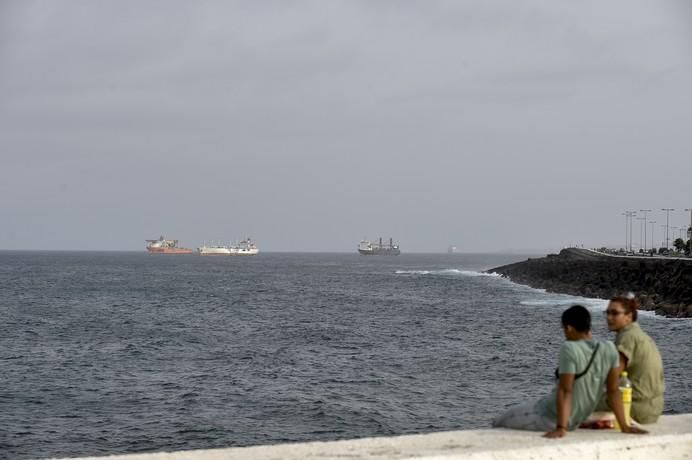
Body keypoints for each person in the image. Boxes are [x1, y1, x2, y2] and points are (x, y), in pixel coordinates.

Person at [493, 305, 647, 437]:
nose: (565, 334)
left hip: (548, 415)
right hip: (577, 419)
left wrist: (561, 427)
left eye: (564, 329)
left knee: (498, 421)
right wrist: (624, 426)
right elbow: (614, 391)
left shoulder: (569, 348)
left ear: (569, 328)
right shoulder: (609, 348)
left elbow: (566, 390)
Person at [604, 295, 665, 424]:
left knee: (577, 400)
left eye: (614, 313)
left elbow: (612, 382)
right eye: (607, 312)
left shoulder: (627, 338)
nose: (609, 317)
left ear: (629, 316)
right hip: (654, 407)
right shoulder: (640, 335)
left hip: (637, 410)